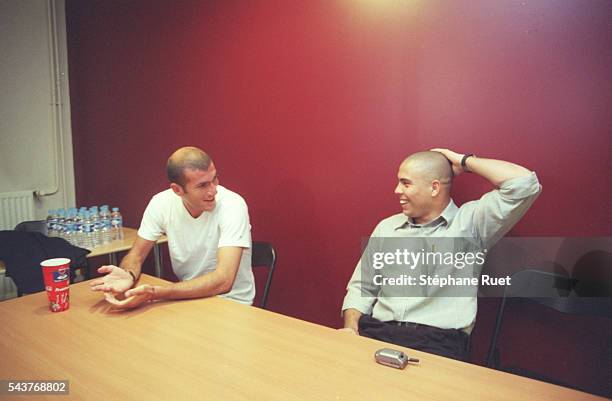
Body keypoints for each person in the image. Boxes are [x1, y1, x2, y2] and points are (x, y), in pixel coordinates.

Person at [340, 148, 541, 360]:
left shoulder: (471, 225)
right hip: (378, 333)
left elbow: (524, 184)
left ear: (434, 188)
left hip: (438, 342)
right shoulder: (386, 228)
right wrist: (351, 329)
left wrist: (463, 161)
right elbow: (362, 286)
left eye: (405, 183)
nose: (397, 190)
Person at [90, 146, 255, 308]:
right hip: (188, 299)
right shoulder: (161, 204)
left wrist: (158, 293)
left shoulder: (232, 205)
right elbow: (136, 255)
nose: (213, 191)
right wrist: (128, 274)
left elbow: (223, 280)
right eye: (202, 185)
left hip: (231, 303)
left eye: (215, 179)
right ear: (177, 190)